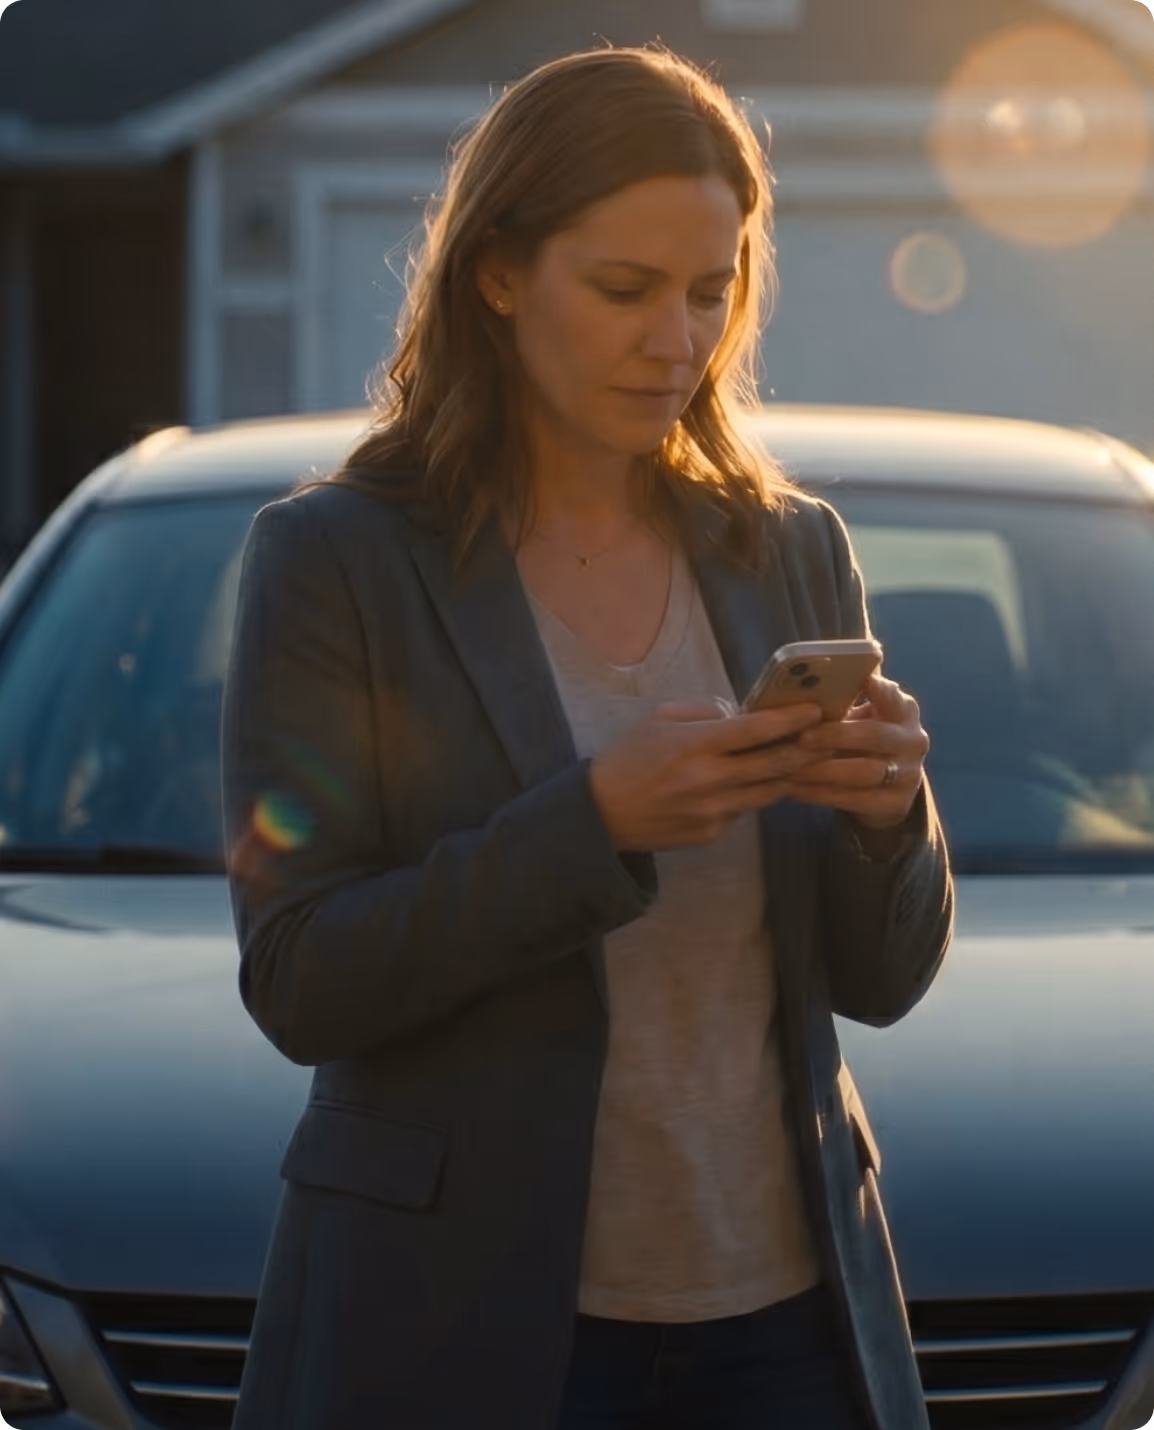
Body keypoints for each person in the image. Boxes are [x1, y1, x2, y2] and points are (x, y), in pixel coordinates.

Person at [221, 45, 953, 1430]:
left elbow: (886, 978)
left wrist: (885, 821)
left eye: (708, 292)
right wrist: (591, 823)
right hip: (464, 1319)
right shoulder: (335, 563)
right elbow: (301, 976)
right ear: (496, 272)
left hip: (787, 1317)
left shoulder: (789, 551)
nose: (674, 338)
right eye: (624, 290)